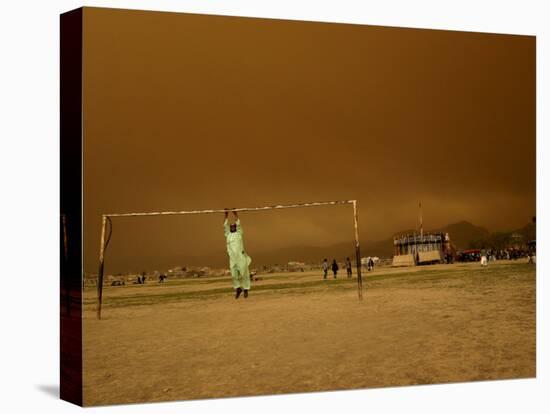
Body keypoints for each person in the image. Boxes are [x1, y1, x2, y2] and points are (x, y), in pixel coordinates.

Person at [224, 209, 252, 299]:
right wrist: (226, 215)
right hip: (232, 258)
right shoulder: (227, 234)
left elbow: (239, 225)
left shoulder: (239, 233)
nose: (232, 227)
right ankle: (238, 289)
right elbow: (225, 226)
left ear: (235, 227)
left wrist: (236, 214)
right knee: (233, 275)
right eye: (231, 226)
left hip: (240, 256)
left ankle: (246, 289)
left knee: (244, 274)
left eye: (234, 226)